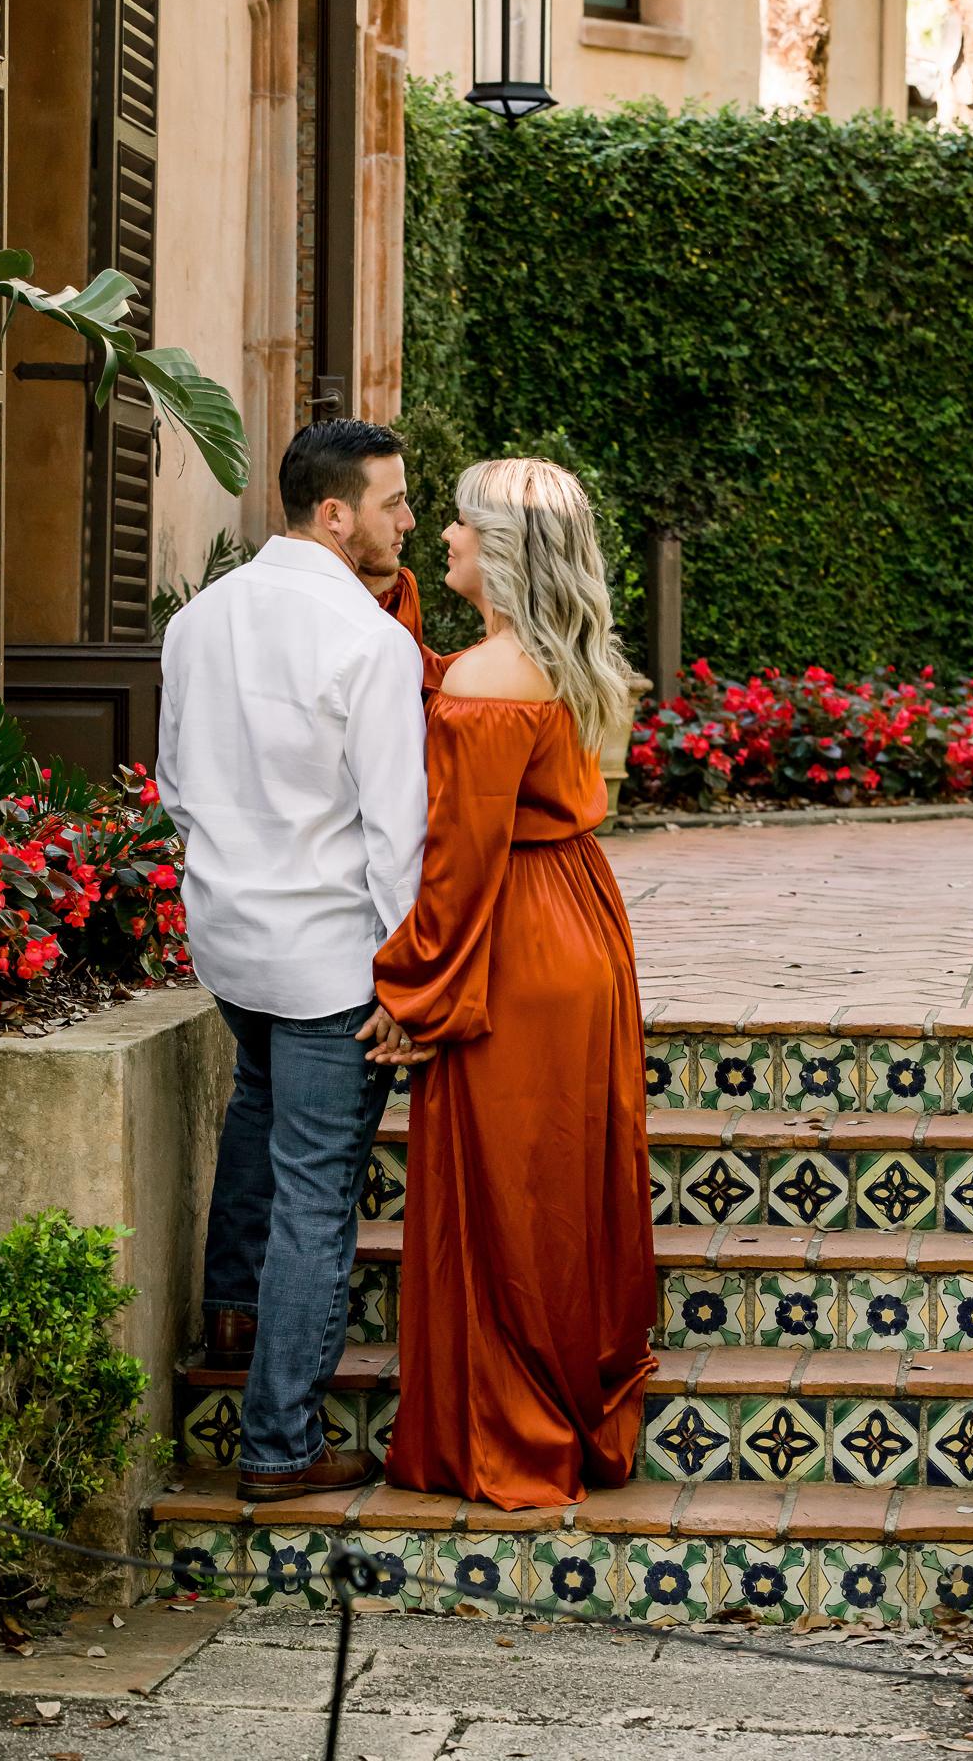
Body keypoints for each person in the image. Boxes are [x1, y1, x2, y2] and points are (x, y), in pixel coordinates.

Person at [365, 456, 657, 1511]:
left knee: (507, 1197)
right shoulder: (543, 659)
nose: (438, 533)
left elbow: (459, 861)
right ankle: (570, 1400)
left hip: (516, 941)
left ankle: (513, 1432)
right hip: (580, 919)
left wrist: (413, 990)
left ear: (500, 550)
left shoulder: (490, 683)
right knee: (562, 1181)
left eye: (457, 523)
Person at [156, 418, 432, 1502]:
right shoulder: (372, 641)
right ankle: (279, 1445)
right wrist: (408, 980)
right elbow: (396, 834)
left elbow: (177, 786)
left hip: (230, 939)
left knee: (255, 1108)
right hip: (330, 960)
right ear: (335, 513)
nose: (407, 522)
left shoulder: (199, 619)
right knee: (318, 1195)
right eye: (394, 502)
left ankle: (235, 1320)